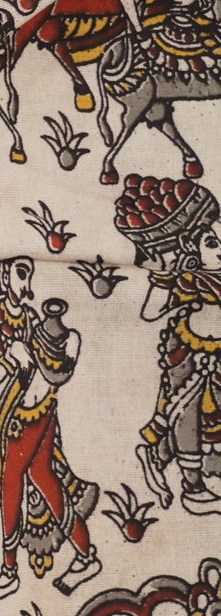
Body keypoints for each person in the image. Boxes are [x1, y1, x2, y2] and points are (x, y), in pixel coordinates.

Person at [0, 257, 100, 602]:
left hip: (32, 415)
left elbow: (50, 368)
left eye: (28, 274)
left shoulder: (32, 318)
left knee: (11, 483)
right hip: (25, 412)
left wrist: (63, 351)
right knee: (44, 479)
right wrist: (9, 358)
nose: (26, 282)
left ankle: (9, 573)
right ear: (3, 276)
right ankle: (86, 555)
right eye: (20, 272)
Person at [115, 175, 221, 514]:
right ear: (191, 250)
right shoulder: (191, 281)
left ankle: (158, 456)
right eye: (212, 243)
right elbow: (150, 312)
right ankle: (192, 487)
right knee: (186, 414)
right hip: (191, 352)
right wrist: (162, 277)